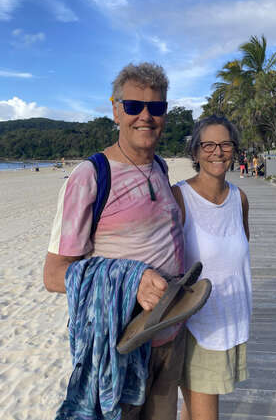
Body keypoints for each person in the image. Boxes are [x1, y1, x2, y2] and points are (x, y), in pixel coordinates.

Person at [44, 62, 185, 420]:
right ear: (116, 110)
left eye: (157, 108)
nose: (146, 116)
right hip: (120, 345)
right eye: (134, 106)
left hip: (169, 335)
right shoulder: (90, 176)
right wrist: (131, 279)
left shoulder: (161, 168)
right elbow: (54, 275)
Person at [171, 115, 252, 420]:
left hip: (232, 319)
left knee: (192, 411)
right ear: (195, 151)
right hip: (197, 326)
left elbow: (241, 255)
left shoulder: (239, 199)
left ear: (234, 149)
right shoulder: (180, 198)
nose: (217, 152)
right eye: (208, 144)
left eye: (225, 144)